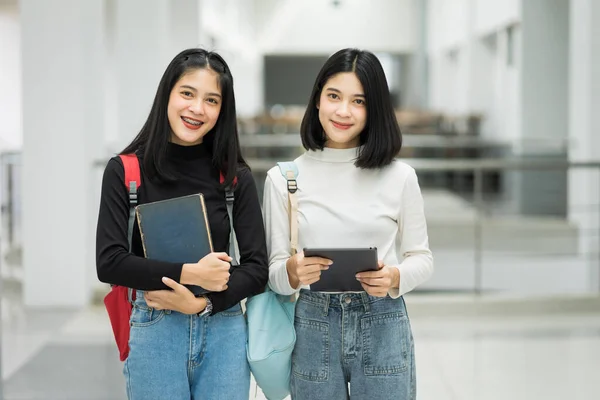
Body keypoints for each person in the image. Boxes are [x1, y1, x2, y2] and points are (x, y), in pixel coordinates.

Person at [96, 48, 268, 400]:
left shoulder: (235, 178)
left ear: (222, 110)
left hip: (225, 330)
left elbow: (257, 268)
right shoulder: (127, 171)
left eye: (212, 100)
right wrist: (190, 274)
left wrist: (203, 304)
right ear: (167, 96)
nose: (197, 109)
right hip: (154, 329)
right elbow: (109, 262)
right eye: (187, 93)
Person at [263, 48, 434, 400]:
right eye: (334, 96)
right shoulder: (283, 179)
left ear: (375, 110)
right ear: (317, 101)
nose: (343, 111)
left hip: (383, 321)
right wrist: (294, 271)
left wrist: (395, 277)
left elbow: (422, 258)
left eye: (359, 101)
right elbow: (274, 274)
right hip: (312, 324)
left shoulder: (400, 177)